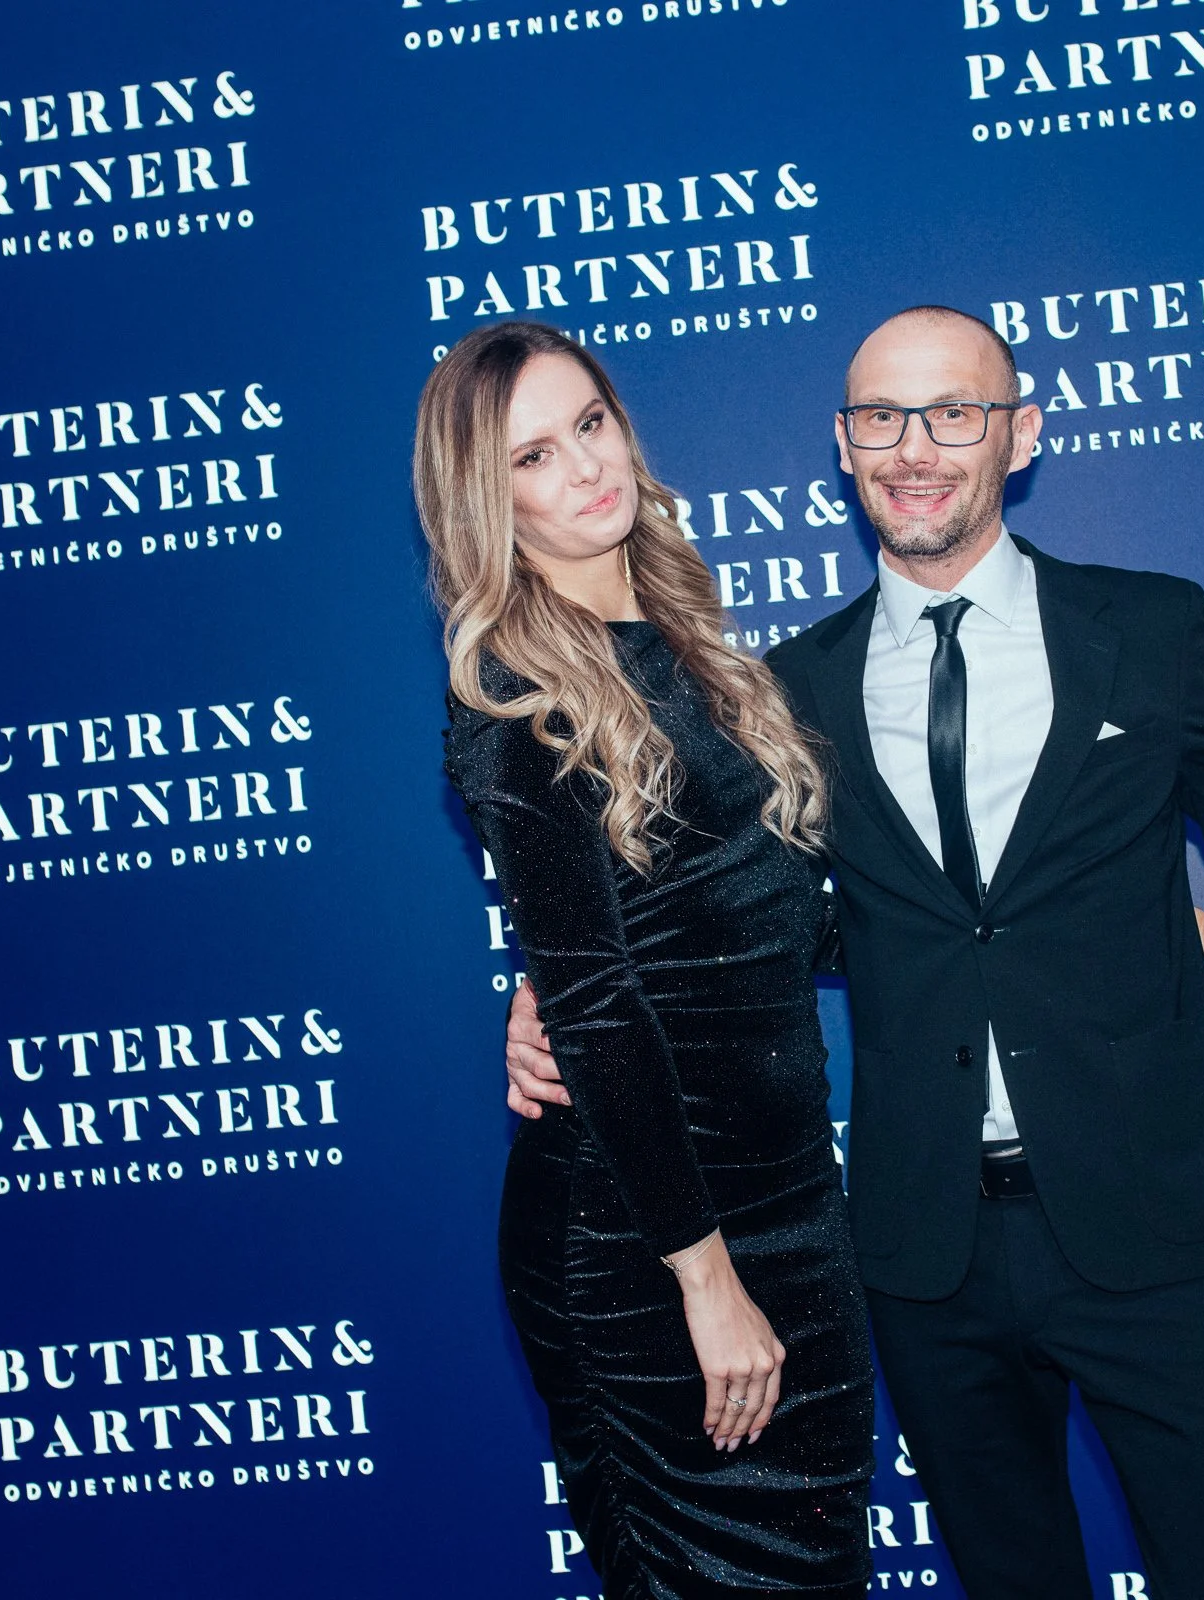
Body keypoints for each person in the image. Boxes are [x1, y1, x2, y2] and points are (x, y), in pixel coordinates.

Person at [505, 309, 1204, 1598]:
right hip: (919, 1249)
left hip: (1161, 1232)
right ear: (842, 447)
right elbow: (708, 906)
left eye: (953, 411)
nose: (915, 447)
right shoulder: (779, 692)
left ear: (1020, 434)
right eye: (881, 418)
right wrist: (548, 987)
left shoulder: (1156, 628)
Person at [418, 319, 873, 1598]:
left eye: (590, 424)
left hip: (787, 1201)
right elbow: (602, 1005)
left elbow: (768, 914)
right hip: (647, 1235)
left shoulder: (685, 634)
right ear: (483, 501)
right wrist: (704, 1277)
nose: (581, 468)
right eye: (532, 458)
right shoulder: (513, 695)